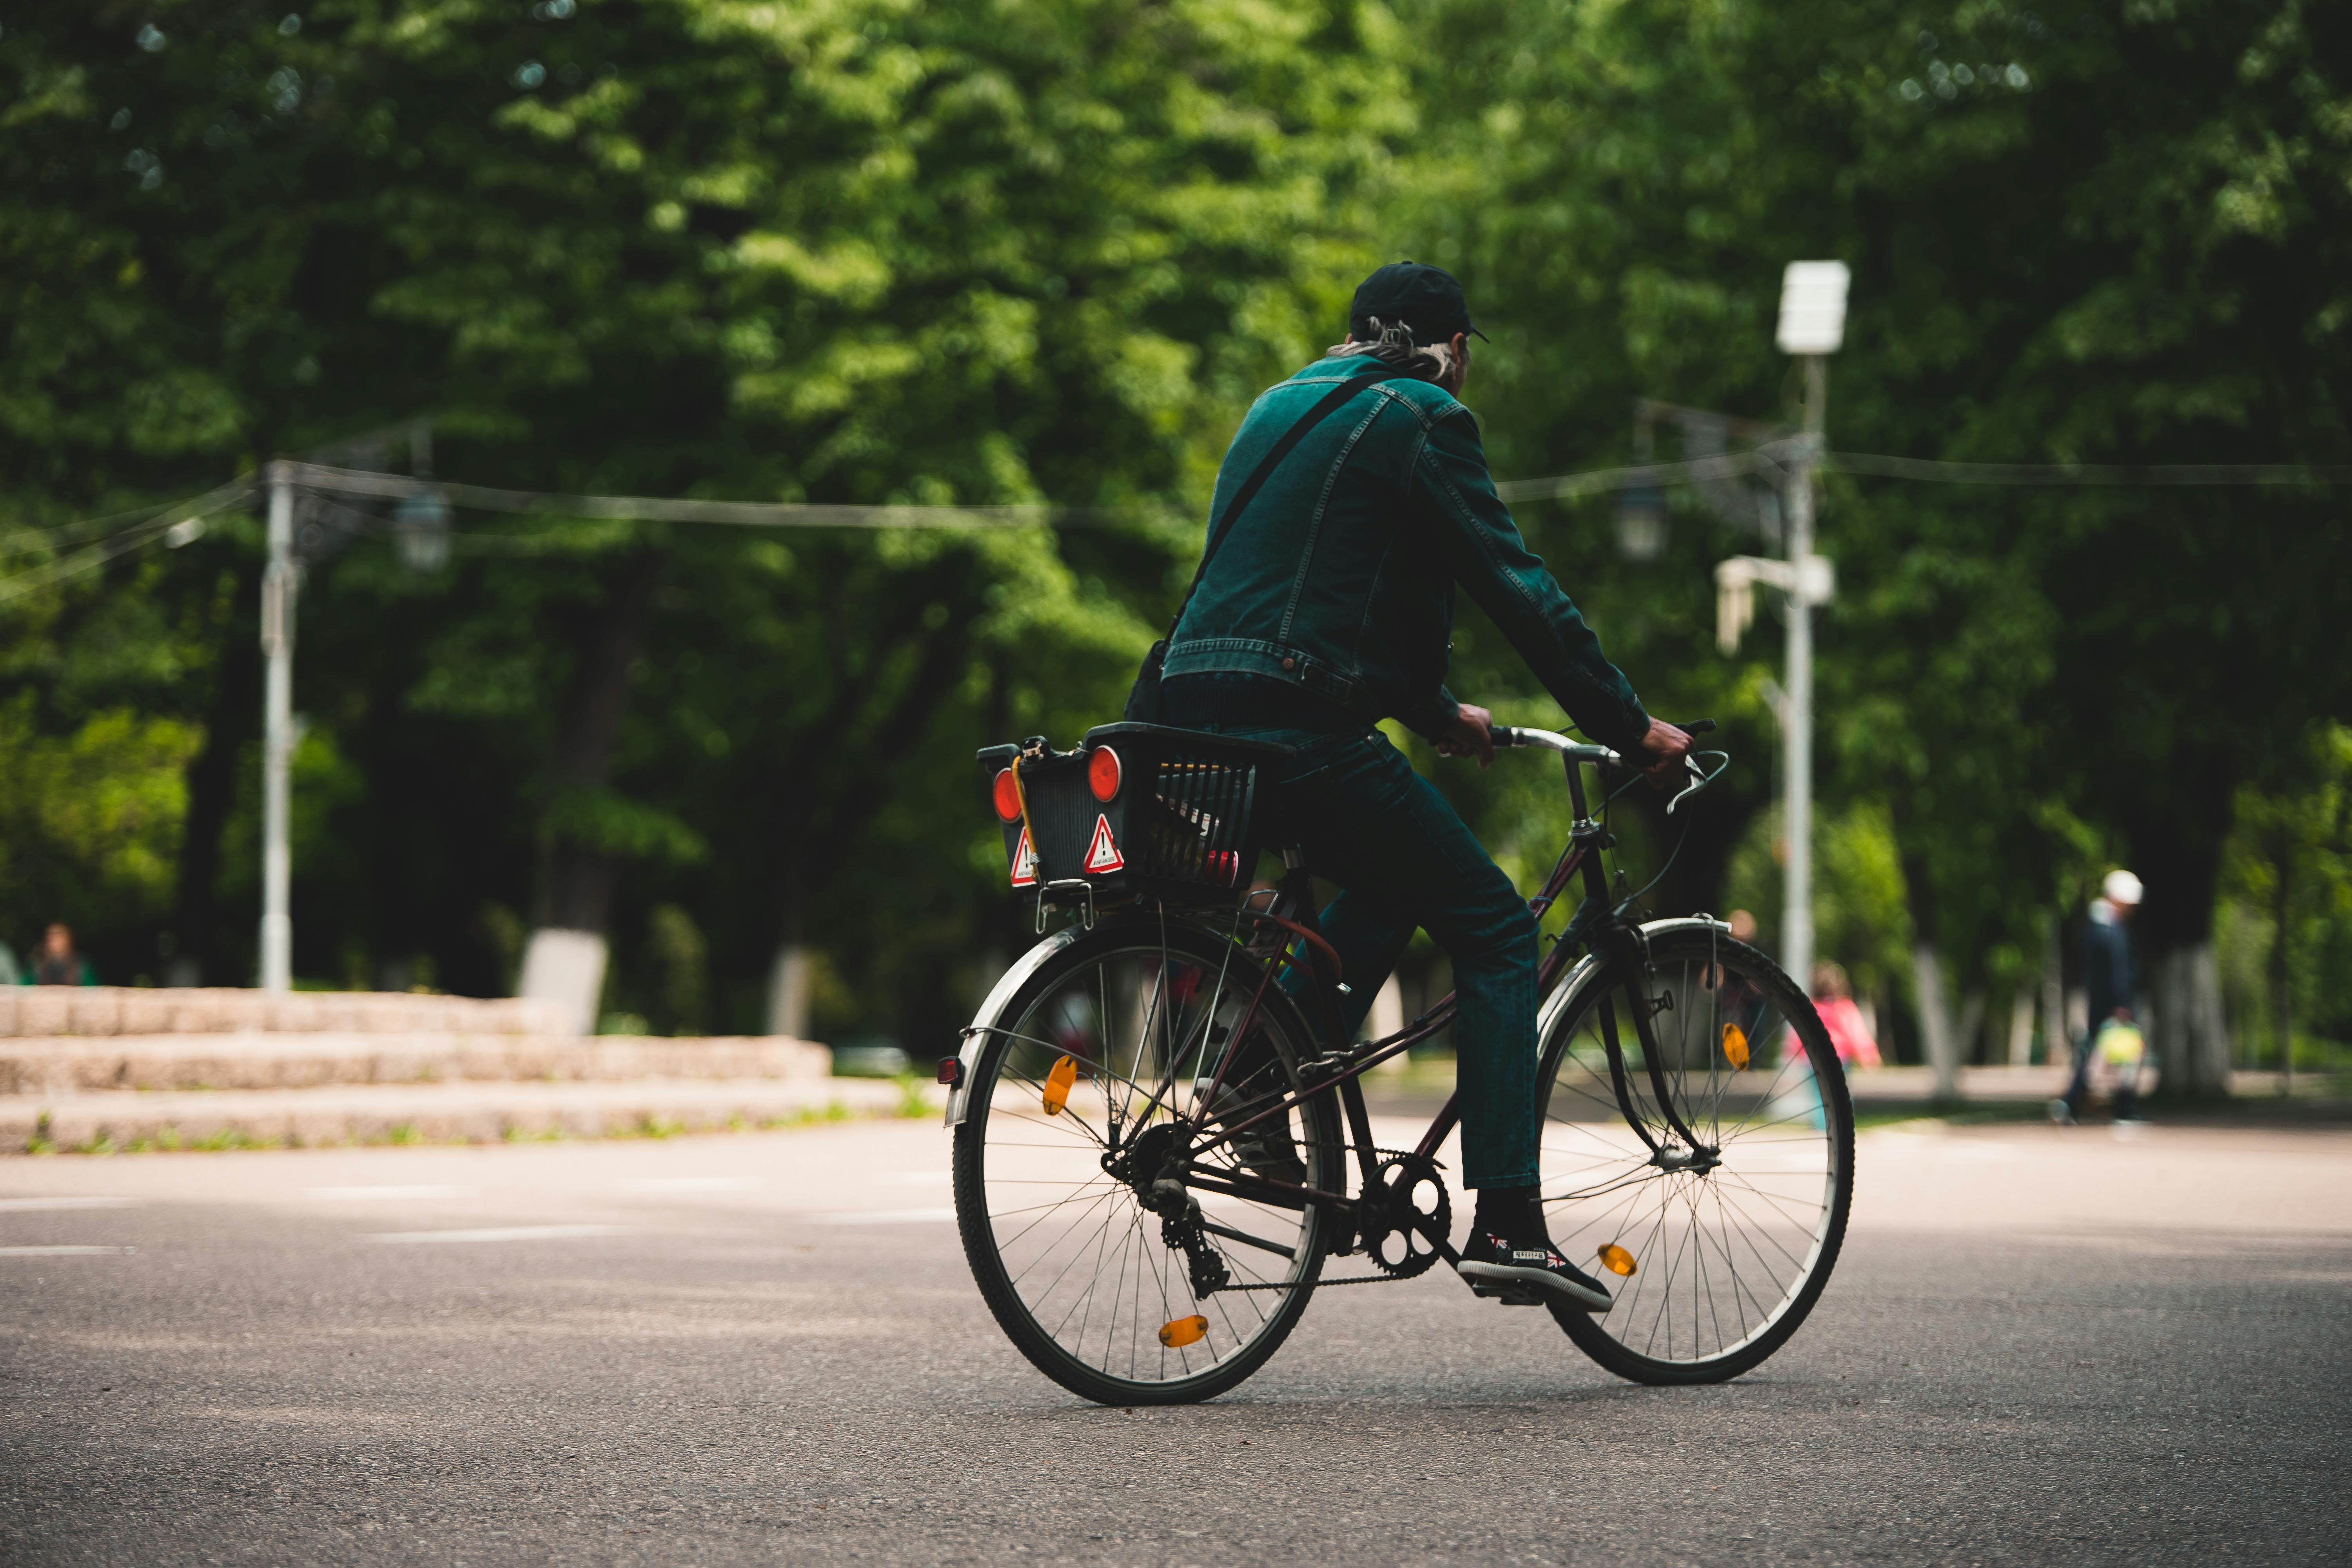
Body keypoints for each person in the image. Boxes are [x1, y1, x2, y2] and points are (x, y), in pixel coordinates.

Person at [1159, 261, 1690, 1312]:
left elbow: (1327, 589)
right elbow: (1518, 587)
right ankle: (1509, 1224)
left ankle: (1261, 1073)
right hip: (1297, 726)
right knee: (1496, 928)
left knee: (1399, 880)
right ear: (1451, 346)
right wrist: (1626, 724)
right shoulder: (1425, 415)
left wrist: (1432, 709)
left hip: (1186, 717)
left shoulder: (1280, 404)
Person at [2051, 870, 2141, 1125]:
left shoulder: (2099, 925)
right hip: (2111, 1004)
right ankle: (2119, 1108)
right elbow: (2116, 970)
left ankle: (2076, 1103)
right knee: (2117, 1057)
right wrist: (2121, 1003)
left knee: (2098, 1055)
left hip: (2104, 1001)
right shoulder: (2108, 927)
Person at [1809, 962, 1882, 1069]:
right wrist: (1869, 1054)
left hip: (1812, 1058)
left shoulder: (1812, 1009)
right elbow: (1857, 1034)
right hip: (1840, 1057)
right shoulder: (1844, 1008)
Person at [32, 923, 95, 987]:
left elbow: (94, 990)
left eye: (58, 934)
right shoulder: (38, 967)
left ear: (68, 939)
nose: (54, 939)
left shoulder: (82, 966)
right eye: (50, 935)